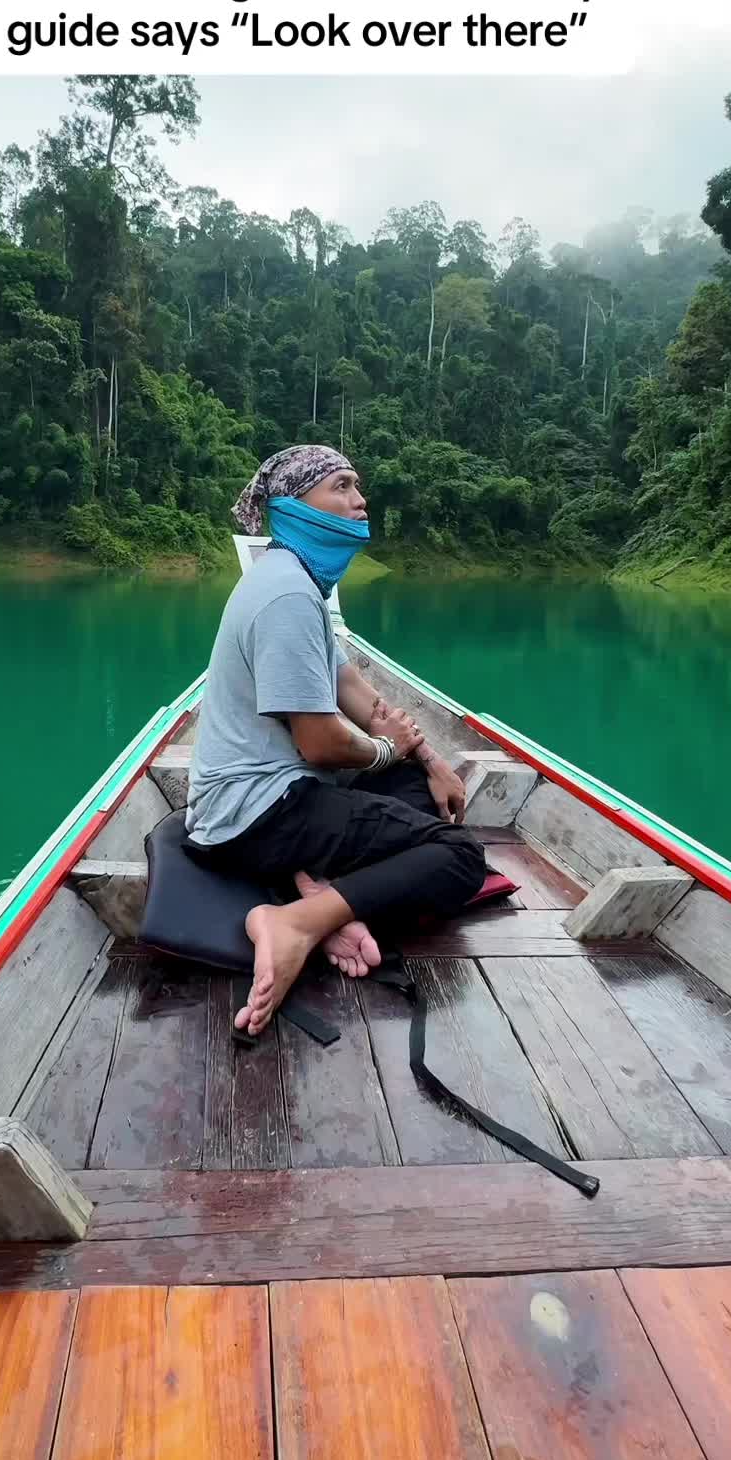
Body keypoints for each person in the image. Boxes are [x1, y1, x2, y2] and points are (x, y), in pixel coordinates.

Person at [183, 443, 492, 1036]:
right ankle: (297, 922)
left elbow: (349, 683)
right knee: (458, 857)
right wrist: (384, 749)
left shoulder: (297, 581)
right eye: (342, 486)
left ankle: (313, 885)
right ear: (297, 507)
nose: (360, 500)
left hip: (272, 798)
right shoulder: (286, 597)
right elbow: (321, 745)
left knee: (413, 787)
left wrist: (426, 759)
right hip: (253, 813)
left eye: (357, 486)